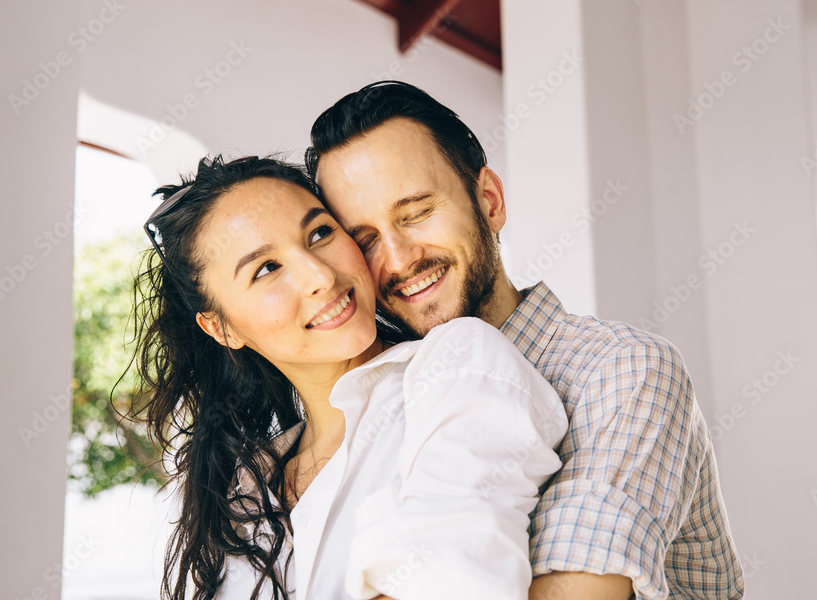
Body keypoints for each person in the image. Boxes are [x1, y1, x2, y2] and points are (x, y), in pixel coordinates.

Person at [305, 81, 745, 600]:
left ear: (489, 201)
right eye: (365, 239)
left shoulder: (622, 371)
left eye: (417, 212)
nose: (399, 260)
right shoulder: (382, 403)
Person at [129, 154, 568, 600]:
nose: (320, 275)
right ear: (222, 328)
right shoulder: (246, 490)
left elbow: (449, 573)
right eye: (267, 268)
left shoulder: (458, 368)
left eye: (319, 233)